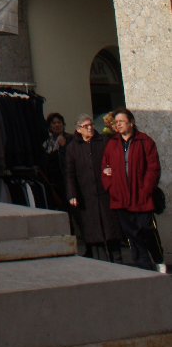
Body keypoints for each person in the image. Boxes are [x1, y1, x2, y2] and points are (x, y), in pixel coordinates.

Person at [101, 108, 162, 269]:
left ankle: (156, 256)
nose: (118, 125)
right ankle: (143, 263)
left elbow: (153, 168)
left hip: (141, 196)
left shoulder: (145, 142)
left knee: (144, 229)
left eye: (121, 121)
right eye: (116, 122)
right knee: (131, 233)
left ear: (131, 123)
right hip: (120, 197)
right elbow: (105, 169)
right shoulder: (112, 144)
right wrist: (111, 187)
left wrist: (146, 190)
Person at [66, 113, 120, 257]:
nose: (90, 128)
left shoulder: (103, 141)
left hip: (105, 192)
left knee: (111, 228)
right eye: (86, 126)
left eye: (91, 125)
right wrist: (72, 194)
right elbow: (69, 173)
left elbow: (114, 160)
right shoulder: (73, 147)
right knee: (93, 232)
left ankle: (118, 259)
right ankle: (100, 261)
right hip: (86, 195)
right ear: (79, 129)